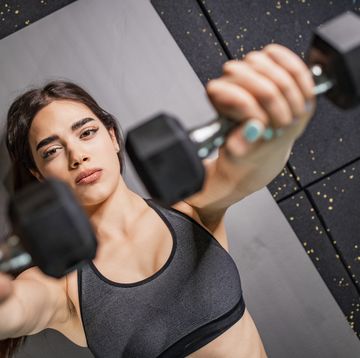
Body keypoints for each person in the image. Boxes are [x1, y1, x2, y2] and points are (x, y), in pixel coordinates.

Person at [0, 44, 315, 358]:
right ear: (39, 174)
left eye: (87, 132)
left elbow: (242, 169)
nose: (77, 156)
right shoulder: (61, 284)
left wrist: (277, 132)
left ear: (112, 137)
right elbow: (18, 309)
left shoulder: (189, 205)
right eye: (51, 151)